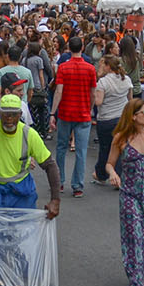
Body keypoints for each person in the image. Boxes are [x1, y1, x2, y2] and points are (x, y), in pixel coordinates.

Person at [105, 98, 144, 286]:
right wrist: (113, 173)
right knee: (134, 237)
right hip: (129, 194)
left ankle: (139, 274)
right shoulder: (121, 138)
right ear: (133, 116)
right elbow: (109, 163)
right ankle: (136, 284)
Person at [48, 34, 97, 196]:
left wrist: (53, 112)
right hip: (83, 113)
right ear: (82, 48)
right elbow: (93, 93)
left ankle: (60, 181)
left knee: (61, 148)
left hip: (66, 113)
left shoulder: (63, 68)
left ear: (69, 48)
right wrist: (89, 109)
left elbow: (58, 91)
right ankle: (78, 186)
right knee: (81, 151)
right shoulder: (90, 68)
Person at [92, 54, 132, 185]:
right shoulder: (126, 79)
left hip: (106, 118)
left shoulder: (103, 82)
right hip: (122, 118)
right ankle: (120, 175)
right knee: (121, 148)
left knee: (105, 148)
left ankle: (102, 174)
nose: (100, 66)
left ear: (108, 66)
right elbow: (130, 99)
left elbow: (98, 101)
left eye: (102, 64)